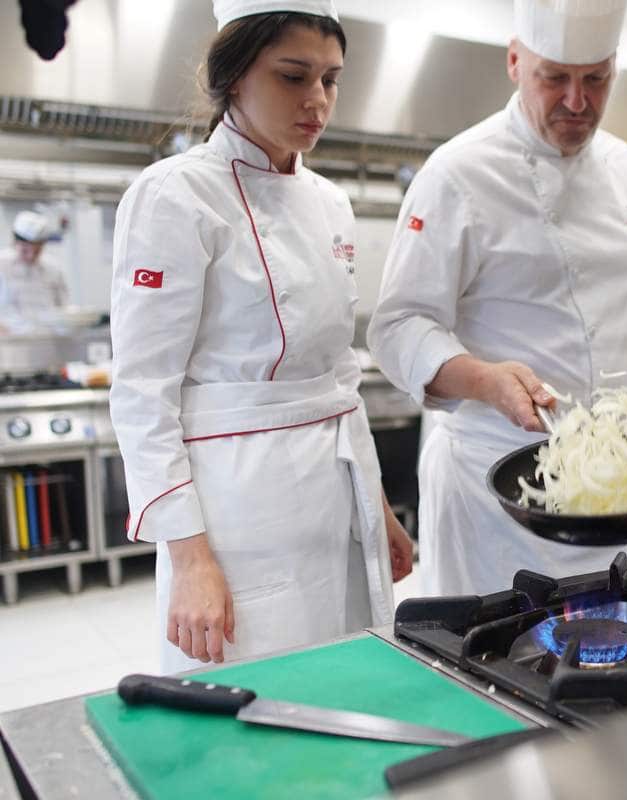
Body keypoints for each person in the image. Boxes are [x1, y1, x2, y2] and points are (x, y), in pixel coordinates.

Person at [109, 0, 413, 674]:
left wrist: (379, 508)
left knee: (349, 681)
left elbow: (339, 377)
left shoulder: (330, 200)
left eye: (331, 79)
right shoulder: (175, 196)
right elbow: (142, 393)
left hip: (337, 502)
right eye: (293, 76)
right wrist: (188, 560)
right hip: (239, 515)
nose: (318, 100)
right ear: (234, 76)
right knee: (251, 702)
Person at [368, 0, 627, 596]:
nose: (578, 102)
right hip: (496, 488)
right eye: (554, 78)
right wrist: (484, 380)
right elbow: (399, 325)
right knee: (493, 665)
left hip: (622, 491)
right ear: (514, 62)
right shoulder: (457, 174)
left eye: (596, 79)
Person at [0, 211, 69, 333]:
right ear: (15, 242)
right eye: (25, 251)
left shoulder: (53, 268)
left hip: (47, 339)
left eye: (37, 251)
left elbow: (62, 306)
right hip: (11, 341)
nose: (31, 256)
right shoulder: (2, 266)